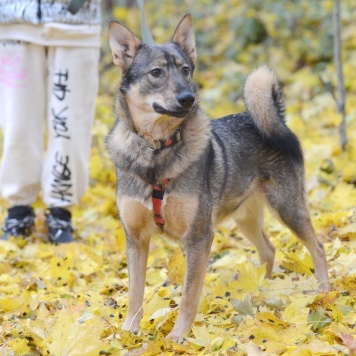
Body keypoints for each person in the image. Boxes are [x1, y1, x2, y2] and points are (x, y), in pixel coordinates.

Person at [0, 0, 101, 243]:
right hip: (14, 21)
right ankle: (18, 211)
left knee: (70, 124)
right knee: (17, 123)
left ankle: (60, 213)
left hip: (78, 22)